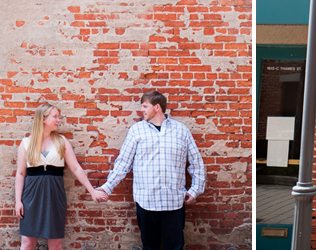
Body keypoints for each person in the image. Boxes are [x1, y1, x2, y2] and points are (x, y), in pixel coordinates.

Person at [96, 90, 205, 250]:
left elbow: (196, 163)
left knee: (175, 247)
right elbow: (123, 163)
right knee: (149, 247)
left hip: (173, 202)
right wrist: (107, 187)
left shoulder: (181, 131)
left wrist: (195, 190)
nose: (142, 110)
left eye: (145, 106)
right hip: (146, 202)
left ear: (157, 107)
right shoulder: (137, 130)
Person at [15, 103, 105, 250]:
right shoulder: (26, 143)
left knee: (56, 244)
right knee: (28, 243)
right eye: (55, 117)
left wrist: (92, 191)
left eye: (58, 117)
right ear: (43, 119)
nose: (58, 120)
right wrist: (18, 201)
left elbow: (76, 168)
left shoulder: (61, 141)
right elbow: (20, 173)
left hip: (54, 197)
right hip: (31, 198)